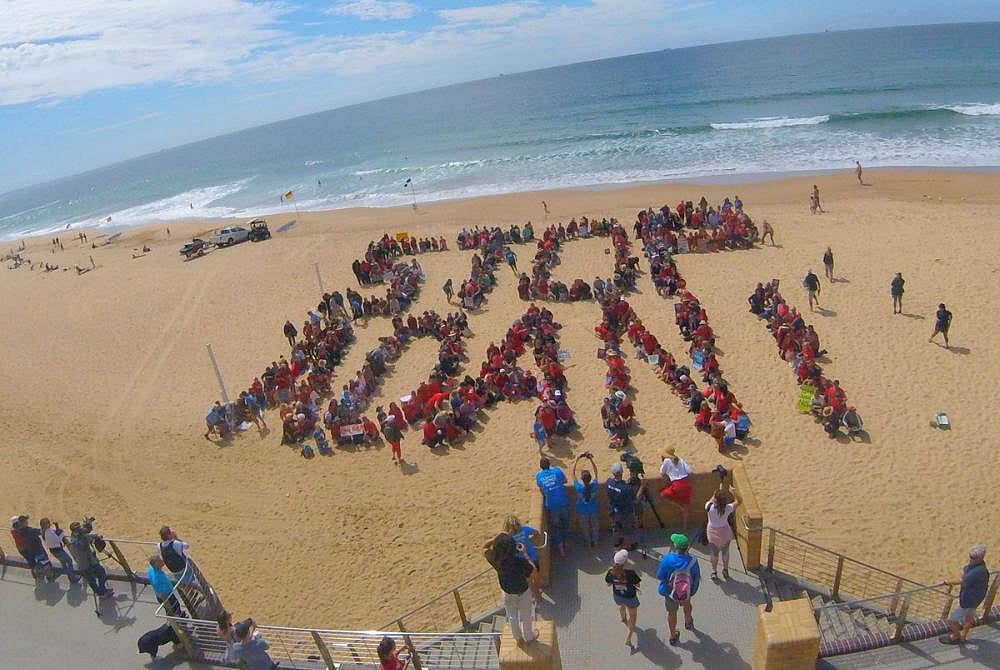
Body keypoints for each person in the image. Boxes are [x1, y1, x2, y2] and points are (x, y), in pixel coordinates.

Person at [484, 533, 537, 643]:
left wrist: (495, 538)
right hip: (522, 593)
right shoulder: (520, 562)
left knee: (512, 617)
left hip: (507, 593)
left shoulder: (496, 560)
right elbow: (533, 569)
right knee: (526, 616)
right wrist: (525, 553)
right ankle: (529, 637)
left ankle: (518, 638)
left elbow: (484, 548)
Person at [657, 533, 700, 646]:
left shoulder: (667, 559)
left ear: (675, 546)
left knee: (672, 613)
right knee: (687, 605)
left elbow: (660, 575)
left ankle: (673, 635)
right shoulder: (693, 561)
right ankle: (688, 621)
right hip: (686, 591)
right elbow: (696, 578)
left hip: (670, 592)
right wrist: (692, 592)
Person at [940, 544, 989, 645]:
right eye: (971, 556)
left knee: (951, 620)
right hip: (975, 599)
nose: (971, 559)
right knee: (969, 618)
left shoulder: (977, 572)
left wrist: (948, 582)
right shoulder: (978, 567)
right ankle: (963, 635)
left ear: (981, 558)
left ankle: (956, 636)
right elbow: (964, 574)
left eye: (974, 557)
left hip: (967, 601)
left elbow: (962, 580)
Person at [68, 521, 114, 599]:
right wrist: (97, 536)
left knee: (96, 576)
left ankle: (102, 590)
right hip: (87, 563)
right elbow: (87, 538)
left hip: (84, 563)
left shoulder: (74, 537)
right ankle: (101, 593)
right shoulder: (81, 539)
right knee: (98, 576)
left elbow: (87, 535)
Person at [605, 549, 641, 647]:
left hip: (618, 596)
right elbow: (638, 584)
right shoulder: (630, 573)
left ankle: (623, 618)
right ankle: (628, 638)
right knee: (633, 616)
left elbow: (608, 583)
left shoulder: (610, 572)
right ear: (625, 562)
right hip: (630, 597)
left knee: (621, 605)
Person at [535, 458, 569, 557]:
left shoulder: (539, 475)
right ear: (549, 464)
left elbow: (540, 486)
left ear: (541, 467)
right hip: (563, 502)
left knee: (555, 527)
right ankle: (566, 542)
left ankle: (561, 548)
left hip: (552, 505)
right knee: (565, 523)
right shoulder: (557, 470)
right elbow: (565, 480)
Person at [606, 462, 641, 550]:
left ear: (613, 473)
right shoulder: (627, 488)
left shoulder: (609, 482)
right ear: (622, 472)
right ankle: (628, 546)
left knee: (615, 528)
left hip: (614, 511)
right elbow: (635, 500)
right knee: (627, 530)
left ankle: (617, 544)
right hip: (625, 513)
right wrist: (642, 487)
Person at [704, 489, 736, 581]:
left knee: (714, 554)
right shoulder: (728, 508)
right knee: (725, 552)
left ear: (716, 500)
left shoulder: (709, 507)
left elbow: (710, 501)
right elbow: (739, 501)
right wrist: (734, 492)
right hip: (725, 532)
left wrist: (714, 493)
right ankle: (725, 570)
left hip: (713, 534)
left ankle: (714, 572)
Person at [658, 448, 692, 529]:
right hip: (686, 485)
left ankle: (680, 507)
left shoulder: (667, 461)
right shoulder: (680, 460)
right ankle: (685, 527)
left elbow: (661, 472)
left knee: (662, 495)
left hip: (677, 485)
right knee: (686, 507)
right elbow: (689, 471)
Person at [572, 453, 600, 547]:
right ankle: (595, 542)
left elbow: (572, 473)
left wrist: (577, 460)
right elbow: (596, 472)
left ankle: (588, 543)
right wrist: (591, 459)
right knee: (595, 526)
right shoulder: (594, 486)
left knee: (585, 528)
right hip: (593, 509)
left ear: (582, 479)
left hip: (582, 510)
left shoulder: (579, 487)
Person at [41, 517, 79, 584]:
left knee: (64, 563)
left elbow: (55, 536)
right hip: (58, 550)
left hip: (53, 551)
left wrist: (57, 527)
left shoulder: (44, 533)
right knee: (69, 561)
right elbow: (58, 539)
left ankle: (71, 576)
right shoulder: (49, 532)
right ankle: (72, 578)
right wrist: (62, 533)